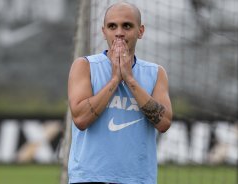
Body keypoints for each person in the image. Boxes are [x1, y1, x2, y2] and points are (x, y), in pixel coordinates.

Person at [67, 2, 172, 184]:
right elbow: (81, 119)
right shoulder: (85, 66)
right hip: (90, 178)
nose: (119, 32)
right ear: (104, 31)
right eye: (112, 26)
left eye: (127, 26)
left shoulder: (156, 73)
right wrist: (115, 79)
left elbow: (164, 123)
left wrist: (130, 80)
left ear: (140, 31)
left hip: (137, 179)